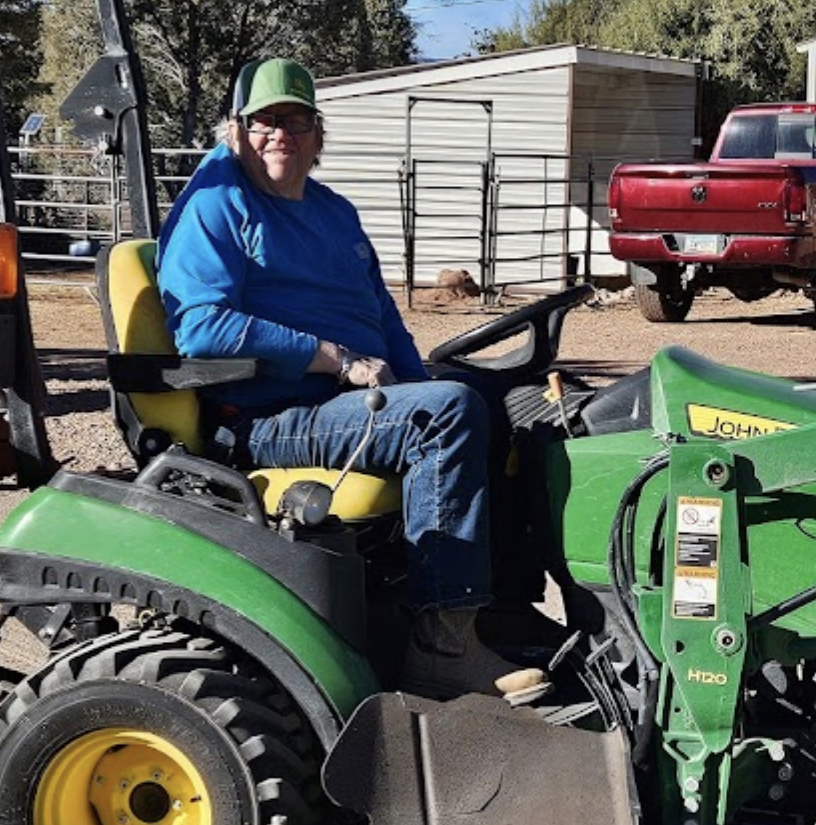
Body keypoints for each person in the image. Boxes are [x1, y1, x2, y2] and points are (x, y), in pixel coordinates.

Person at [156, 57, 546, 705]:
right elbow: (202, 329)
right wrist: (329, 357)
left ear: (318, 133)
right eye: (265, 120)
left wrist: (420, 381)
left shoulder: (333, 212)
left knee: (505, 405)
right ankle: (443, 645)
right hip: (272, 416)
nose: (281, 133)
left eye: (297, 119)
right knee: (445, 415)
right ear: (237, 131)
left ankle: (498, 608)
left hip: (355, 403)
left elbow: (384, 319)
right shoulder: (215, 206)